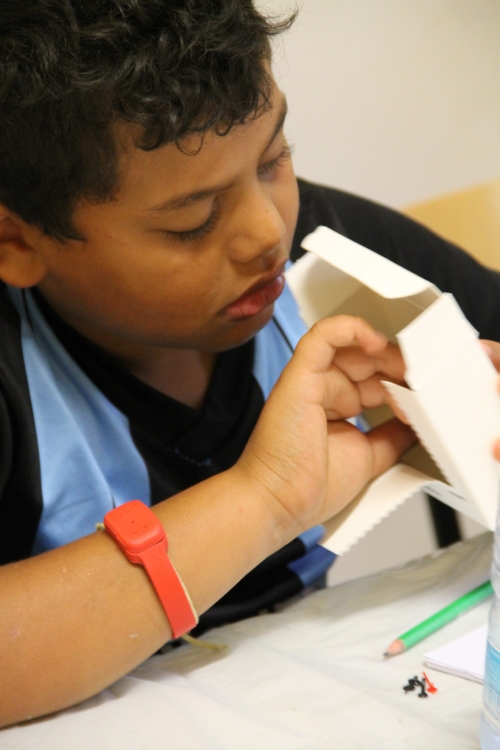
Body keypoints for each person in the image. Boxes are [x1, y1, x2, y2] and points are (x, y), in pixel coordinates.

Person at [0, 0, 499, 727]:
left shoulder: (327, 257)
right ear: (15, 242)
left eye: (274, 160)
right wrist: (264, 502)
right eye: (191, 222)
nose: (268, 233)